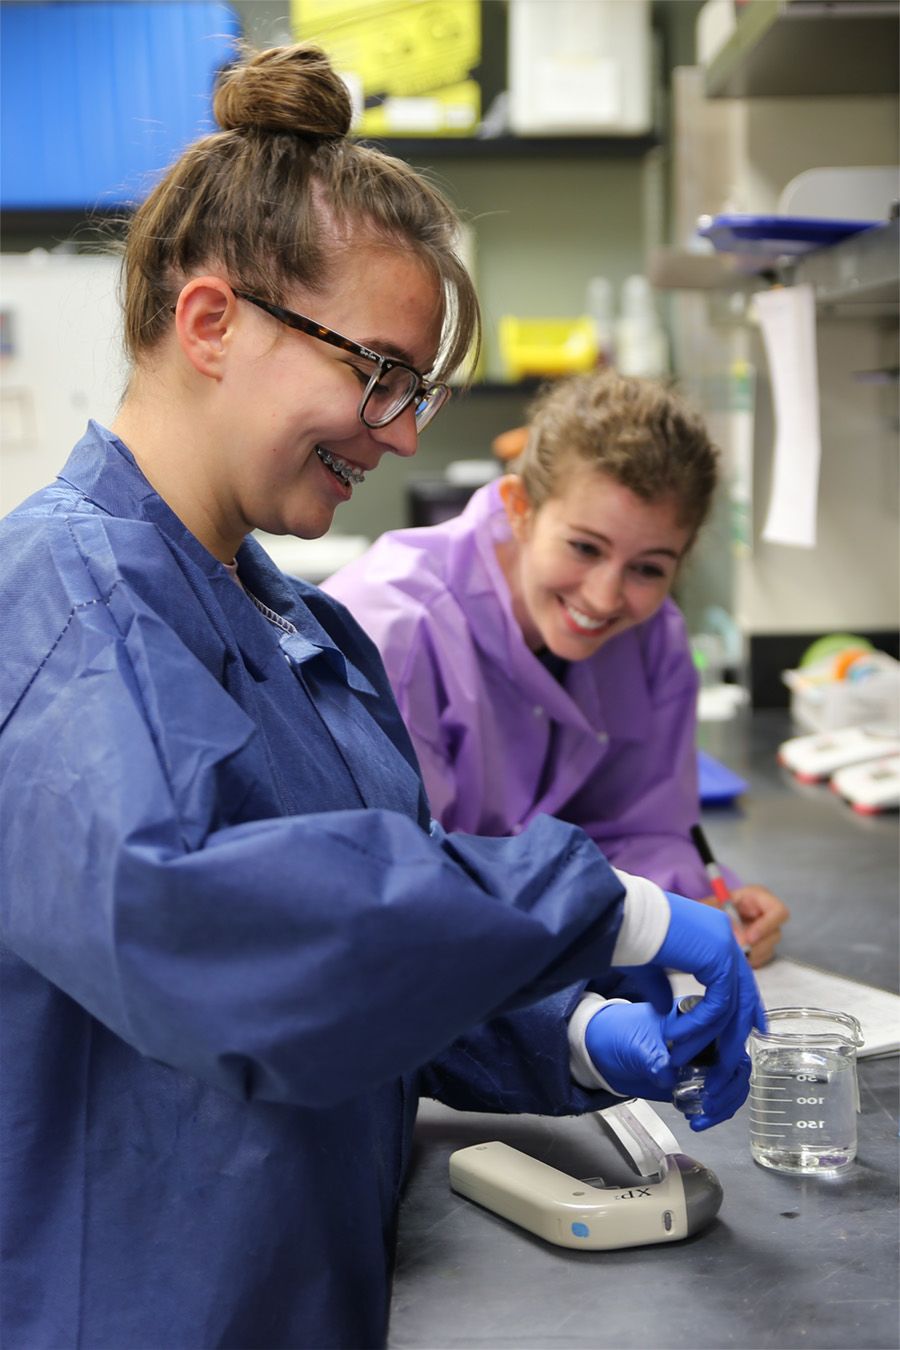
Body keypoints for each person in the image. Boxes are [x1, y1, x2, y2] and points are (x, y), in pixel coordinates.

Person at [0, 45, 762, 1350]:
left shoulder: (299, 618)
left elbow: (360, 956)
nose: (404, 433)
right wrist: (602, 905)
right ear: (211, 323)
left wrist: (571, 1029)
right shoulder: (60, 602)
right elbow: (199, 923)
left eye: (417, 388)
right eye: (383, 373)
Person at [325, 369, 790, 971]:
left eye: (648, 568)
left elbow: (643, 831)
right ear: (521, 508)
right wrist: (619, 936)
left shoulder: (654, 639)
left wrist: (701, 903)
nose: (603, 597)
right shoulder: (393, 627)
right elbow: (401, 885)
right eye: (585, 548)